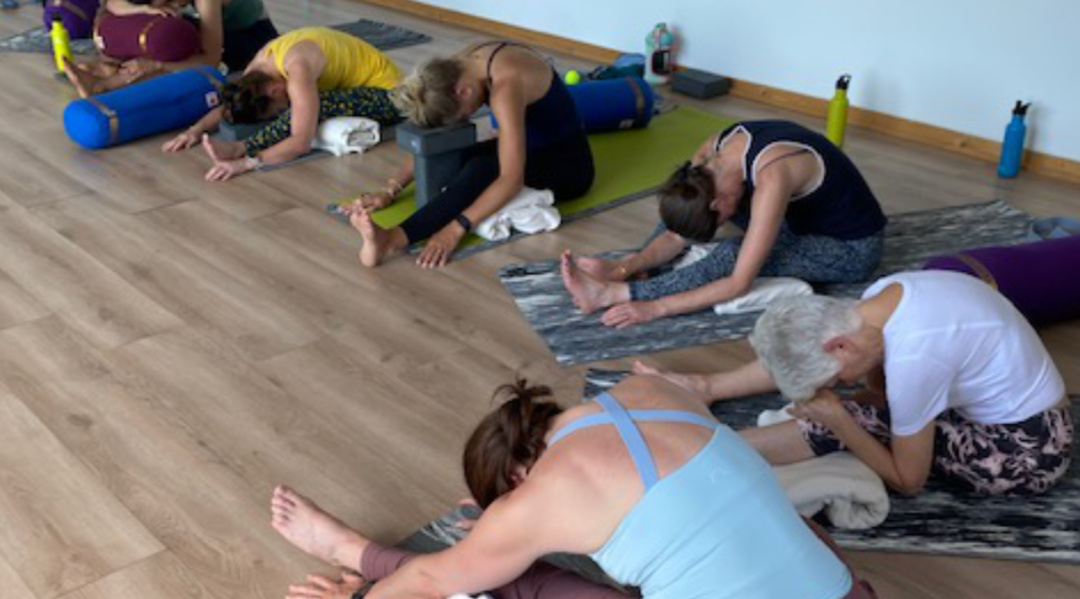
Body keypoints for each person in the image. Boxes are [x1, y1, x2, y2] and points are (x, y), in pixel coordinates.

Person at [271, 375, 894, 599]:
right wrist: (503, 525)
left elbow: (436, 582)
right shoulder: (653, 391)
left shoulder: (546, 493)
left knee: (512, 579)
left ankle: (349, 548)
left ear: (517, 480)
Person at [639, 270, 1074, 497]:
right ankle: (707, 410)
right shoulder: (882, 298)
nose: (840, 383)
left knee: (850, 419)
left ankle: (706, 454)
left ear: (841, 346)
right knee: (859, 408)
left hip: (1029, 452)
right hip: (1012, 409)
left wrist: (840, 419)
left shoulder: (915, 356)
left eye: (835, 376)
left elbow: (908, 481)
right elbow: (812, 356)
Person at [561, 119, 887, 328]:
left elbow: (738, 283)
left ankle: (613, 293)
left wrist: (653, 306)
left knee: (733, 254)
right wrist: (627, 264)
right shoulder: (710, 154)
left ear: (718, 205)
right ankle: (631, 269)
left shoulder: (772, 177)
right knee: (683, 209)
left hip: (849, 247)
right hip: (793, 218)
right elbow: (679, 230)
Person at [346, 41, 595, 269]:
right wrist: (391, 188)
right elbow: (432, 140)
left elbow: (511, 180)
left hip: (568, 165)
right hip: (528, 143)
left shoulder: (505, 87)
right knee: (452, 152)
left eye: (461, 115)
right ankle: (397, 232)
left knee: (481, 169)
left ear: (463, 92)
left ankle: (391, 239)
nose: (464, 118)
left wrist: (455, 229)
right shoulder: (456, 68)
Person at [161, 27, 401, 181]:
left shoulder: (297, 69)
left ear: (275, 90)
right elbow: (234, 101)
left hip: (390, 96)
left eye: (276, 109)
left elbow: (300, 142)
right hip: (353, 88)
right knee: (305, 106)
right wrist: (195, 130)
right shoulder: (258, 69)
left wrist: (246, 160)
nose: (280, 112)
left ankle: (241, 146)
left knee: (314, 105)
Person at [61, 0, 278, 96]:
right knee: (160, 29)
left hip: (253, 40)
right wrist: (143, 8)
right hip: (217, 30)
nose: (174, 6)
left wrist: (155, 64)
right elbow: (113, 3)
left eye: (173, 2)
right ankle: (111, 72)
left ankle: (106, 84)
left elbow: (211, 59)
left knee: (175, 38)